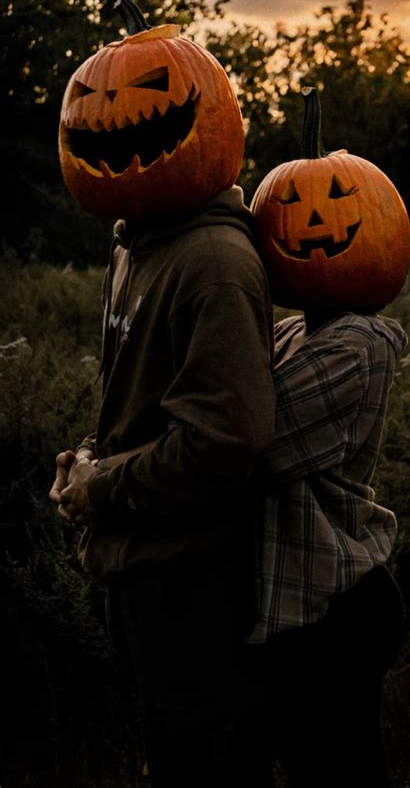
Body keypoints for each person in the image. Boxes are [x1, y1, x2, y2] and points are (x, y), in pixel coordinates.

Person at [49, 186, 276, 788]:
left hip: (194, 582)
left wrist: (101, 491)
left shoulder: (215, 263)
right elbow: (135, 402)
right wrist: (87, 460)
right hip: (138, 563)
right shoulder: (132, 244)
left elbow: (225, 440)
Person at [249, 307, 408, 787]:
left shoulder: (357, 340)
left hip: (332, 610)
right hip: (290, 610)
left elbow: (237, 440)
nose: (310, 226)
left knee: (337, 769)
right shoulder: (289, 329)